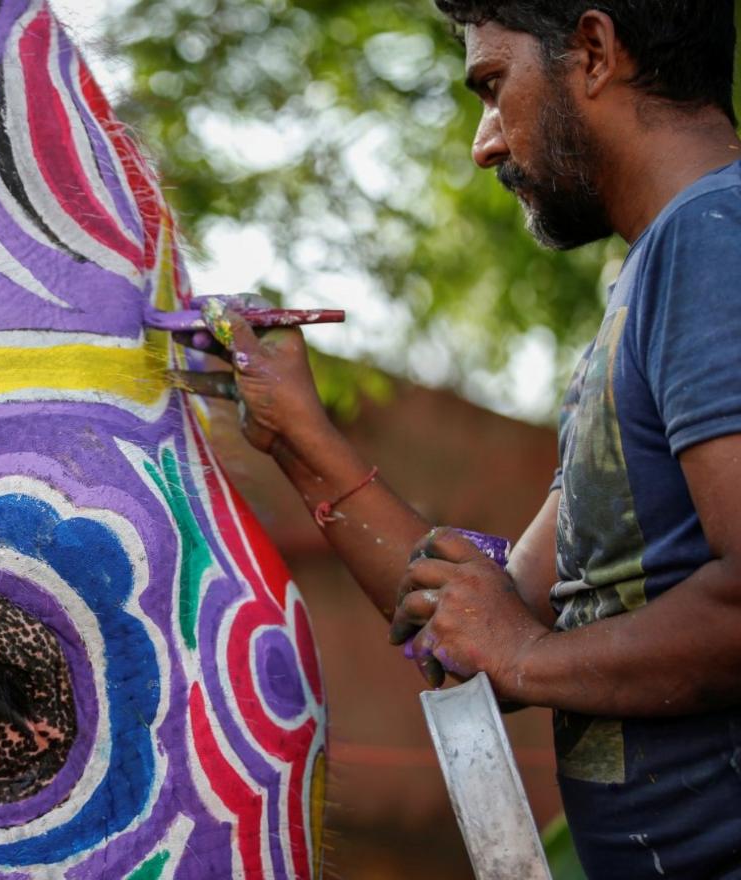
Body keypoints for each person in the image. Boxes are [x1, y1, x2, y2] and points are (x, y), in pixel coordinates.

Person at [174, 1, 741, 876]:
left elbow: (524, 644)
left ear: (592, 52)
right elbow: (494, 612)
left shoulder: (713, 243)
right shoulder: (653, 281)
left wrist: (529, 658)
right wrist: (294, 432)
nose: (485, 144)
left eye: (492, 86)